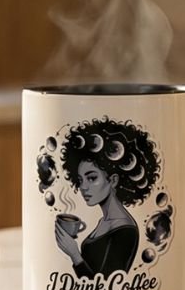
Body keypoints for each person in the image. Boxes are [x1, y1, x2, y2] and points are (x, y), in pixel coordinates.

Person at [54, 119, 160, 279]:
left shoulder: (126, 231)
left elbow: (103, 288)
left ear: (113, 180)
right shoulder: (104, 222)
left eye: (92, 178)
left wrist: (75, 255)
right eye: (81, 180)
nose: (83, 187)